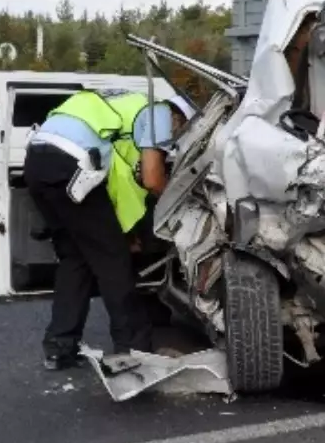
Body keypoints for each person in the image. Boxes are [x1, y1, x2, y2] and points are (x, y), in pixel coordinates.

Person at [23, 88, 196, 370]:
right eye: (181, 132)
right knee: (112, 261)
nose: (173, 141)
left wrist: (125, 230)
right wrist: (182, 204)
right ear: (179, 119)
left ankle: (59, 347)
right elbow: (152, 179)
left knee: (75, 258)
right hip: (72, 164)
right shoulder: (159, 113)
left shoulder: (122, 106)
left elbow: (116, 186)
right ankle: (134, 349)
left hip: (37, 157)